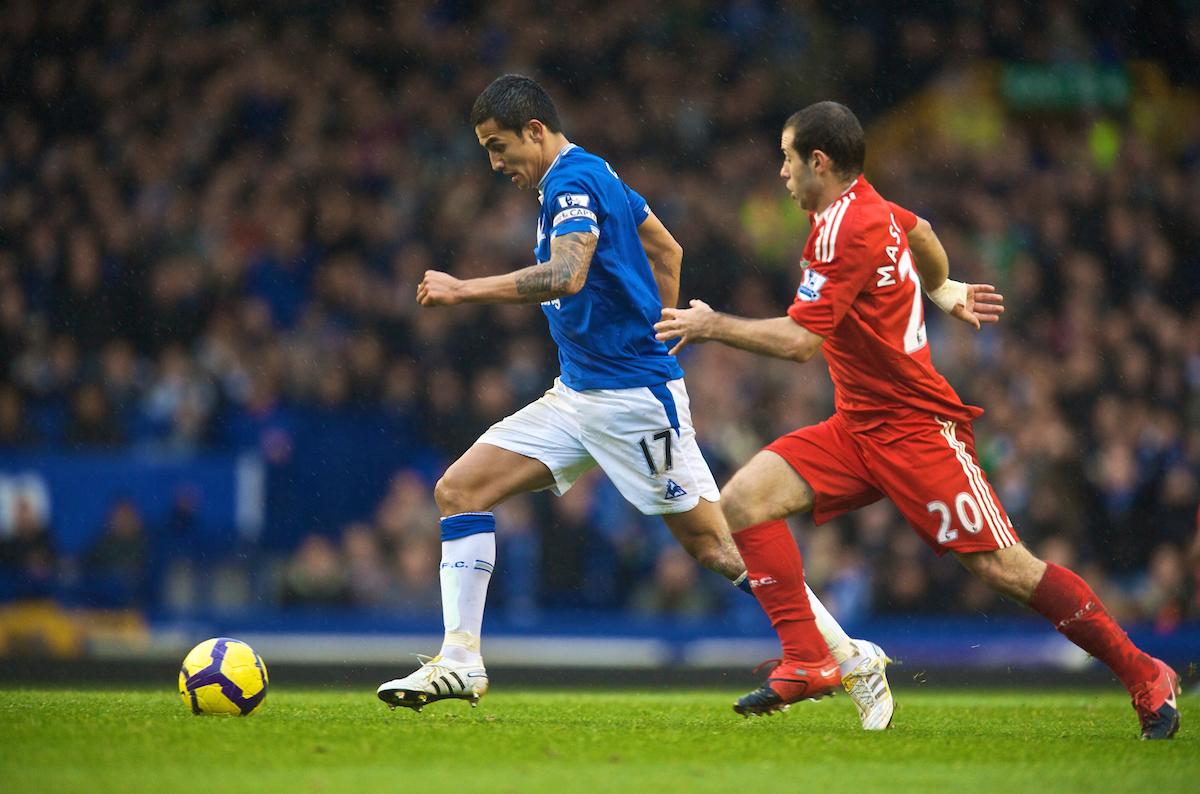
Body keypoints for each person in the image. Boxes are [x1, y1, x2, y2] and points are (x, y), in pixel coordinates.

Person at [377, 76, 893, 729]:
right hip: (578, 395)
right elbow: (665, 247)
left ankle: (846, 656)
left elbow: (567, 273)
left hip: (631, 404)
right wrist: (661, 327)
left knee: (716, 547)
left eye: (499, 146)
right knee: (460, 489)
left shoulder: (570, 184)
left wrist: (463, 290)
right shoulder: (593, 173)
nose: (493, 163)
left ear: (535, 130)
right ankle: (461, 659)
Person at [654, 101, 1181, 739]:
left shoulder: (839, 230)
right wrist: (944, 288)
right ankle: (810, 659)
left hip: (915, 429)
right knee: (742, 503)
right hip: (856, 428)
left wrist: (712, 325)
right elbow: (923, 230)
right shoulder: (871, 208)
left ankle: (1145, 671)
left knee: (1004, 570)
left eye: (788, 159)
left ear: (819, 162)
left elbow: (799, 343)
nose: (782, 173)